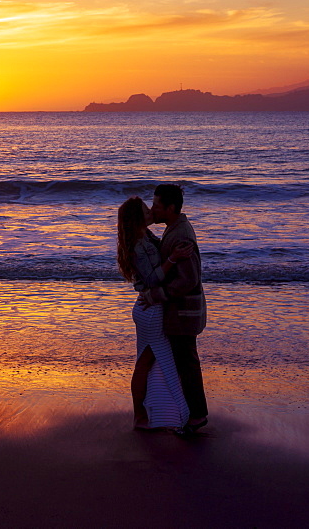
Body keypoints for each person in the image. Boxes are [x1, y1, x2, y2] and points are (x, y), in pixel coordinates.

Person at [117, 196, 192, 431]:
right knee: (146, 362)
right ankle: (141, 414)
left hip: (148, 306)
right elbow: (151, 278)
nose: (151, 211)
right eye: (145, 209)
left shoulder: (144, 237)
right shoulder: (140, 244)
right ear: (137, 218)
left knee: (148, 362)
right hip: (150, 309)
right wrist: (173, 258)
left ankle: (155, 412)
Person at [141, 183, 208, 432]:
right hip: (182, 312)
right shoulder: (175, 228)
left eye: (156, 206)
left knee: (187, 363)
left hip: (184, 312)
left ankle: (198, 415)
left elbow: (188, 279)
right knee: (184, 361)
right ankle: (189, 411)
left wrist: (155, 295)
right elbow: (165, 250)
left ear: (170, 208)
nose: (153, 209)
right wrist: (144, 231)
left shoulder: (180, 234)